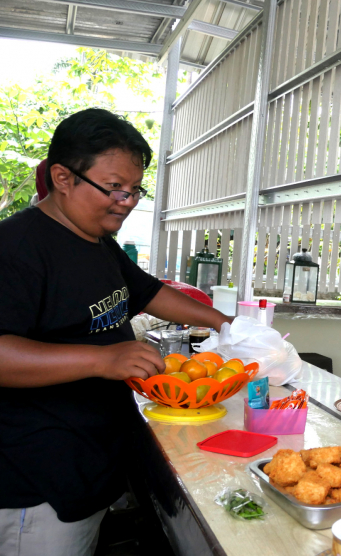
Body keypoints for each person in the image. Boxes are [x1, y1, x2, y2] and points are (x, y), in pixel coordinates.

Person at [0, 109, 232, 556]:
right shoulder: (17, 248)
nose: (126, 201)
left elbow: (149, 293)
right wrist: (103, 359)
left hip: (89, 460)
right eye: (112, 188)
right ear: (63, 178)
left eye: (133, 190)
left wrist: (227, 324)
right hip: (37, 480)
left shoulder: (97, 242)